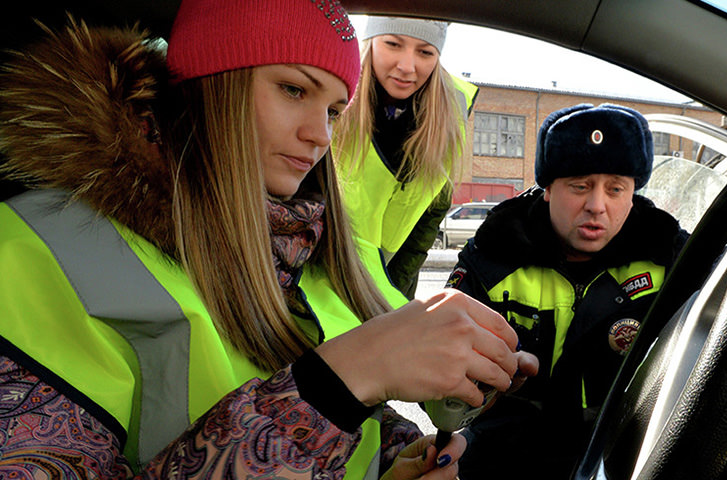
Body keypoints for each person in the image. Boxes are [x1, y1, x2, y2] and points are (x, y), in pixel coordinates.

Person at [0, 1, 538, 479]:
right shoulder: (40, 253)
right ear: (211, 82)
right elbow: (328, 385)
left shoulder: (312, 248)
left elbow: (341, 415)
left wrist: (400, 454)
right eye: (293, 89)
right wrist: (339, 382)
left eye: (333, 110)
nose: (320, 135)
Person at [446, 103, 690, 479]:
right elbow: (447, 387)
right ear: (548, 189)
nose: (596, 206)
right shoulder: (495, 255)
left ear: (633, 192)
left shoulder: (670, 257)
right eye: (579, 186)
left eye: (615, 188)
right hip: (505, 456)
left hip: (624, 453)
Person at [333, 15, 479, 299]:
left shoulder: (451, 116)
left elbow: (429, 218)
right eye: (393, 44)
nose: (407, 66)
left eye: (425, 52)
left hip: (393, 282)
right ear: (371, 41)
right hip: (321, 278)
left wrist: (390, 294)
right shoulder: (334, 98)